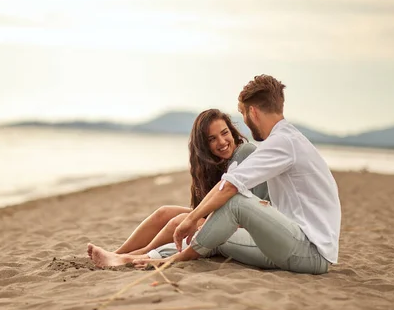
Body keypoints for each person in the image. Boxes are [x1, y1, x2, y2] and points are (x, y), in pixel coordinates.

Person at [130, 75, 341, 275]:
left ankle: (166, 258)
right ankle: (142, 255)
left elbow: (231, 186)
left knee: (232, 204)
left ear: (253, 112)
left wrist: (192, 219)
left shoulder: (283, 142)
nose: (245, 121)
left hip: (309, 253)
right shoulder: (289, 139)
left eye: (243, 114)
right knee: (210, 233)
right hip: (297, 246)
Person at [87, 109, 269, 266]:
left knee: (179, 221)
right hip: (227, 219)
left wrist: (193, 219)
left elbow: (242, 203)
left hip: (249, 226)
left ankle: (131, 256)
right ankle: (117, 252)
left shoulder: (245, 152)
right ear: (204, 145)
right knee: (164, 212)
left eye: (224, 133)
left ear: (232, 131)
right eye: (212, 138)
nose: (221, 142)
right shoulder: (216, 164)